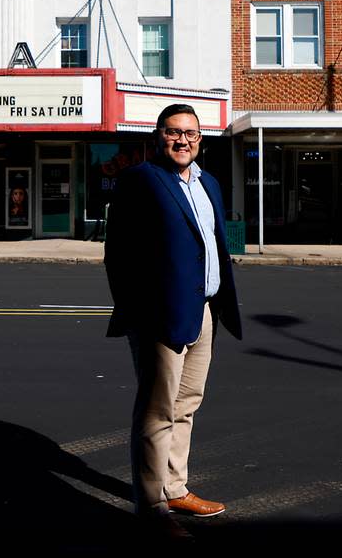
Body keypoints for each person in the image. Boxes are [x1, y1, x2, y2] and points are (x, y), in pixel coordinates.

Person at [104, 103, 242, 529]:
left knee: (187, 404)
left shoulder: (209, 184)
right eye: (173, 132)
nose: (183, 140)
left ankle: (175, 488)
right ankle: (151, 508)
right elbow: (118, 256)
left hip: (203, 310)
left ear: (201, 140)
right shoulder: (140, 181)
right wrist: (140, 312)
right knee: (156, 410)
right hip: (159, 315)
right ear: (157, 136)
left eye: (191, 134)